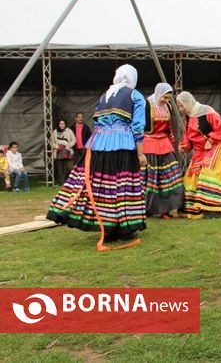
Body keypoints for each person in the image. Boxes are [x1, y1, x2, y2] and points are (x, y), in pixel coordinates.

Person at [46, 64, 146, 248]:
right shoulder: (135, 96)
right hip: (122, 144)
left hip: (97, 145)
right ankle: (125, 228)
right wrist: (140, 154)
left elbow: (97, 121)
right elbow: (138, 127)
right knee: (122, 186)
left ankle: (107, 229)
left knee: (101, 188)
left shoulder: (105, 95)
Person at [176, 91, 221, 219]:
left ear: (188, 102)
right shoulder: (188, 117)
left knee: (208, 174)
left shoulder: (208, 112)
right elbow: (188, 135)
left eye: (182, 106)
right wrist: (184, 146)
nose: (180, 109)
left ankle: (215, 209)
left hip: (214, 146)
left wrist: (211, 140)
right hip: (200, 150)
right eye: (179, 106)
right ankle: (196, 208)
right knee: (191, 176)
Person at [142, 83, 184, 219]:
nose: (166, 100)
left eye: (168, 98)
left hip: (164, 145)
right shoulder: (147, 104)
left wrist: (172, 142)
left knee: (171, 176)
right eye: (164, 98)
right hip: (149, 144)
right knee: (151, 179)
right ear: (158, 93)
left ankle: (166, 210)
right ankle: (147, 209)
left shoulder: (168, 107)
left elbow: (170, 128)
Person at [51, 119, 76, 186]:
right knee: (60, 169)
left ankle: (71, 182)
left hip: (68, 151)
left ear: (65, 124)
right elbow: (52, 142)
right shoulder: (55, 132)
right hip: (59, 152)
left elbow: (74, 140)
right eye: (60, 124)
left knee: (70, 168)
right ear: (58, 124)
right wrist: (56, 146)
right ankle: (61, 183)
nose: (62, 125)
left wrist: (69, 145)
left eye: (63, 124)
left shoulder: (69, 131)